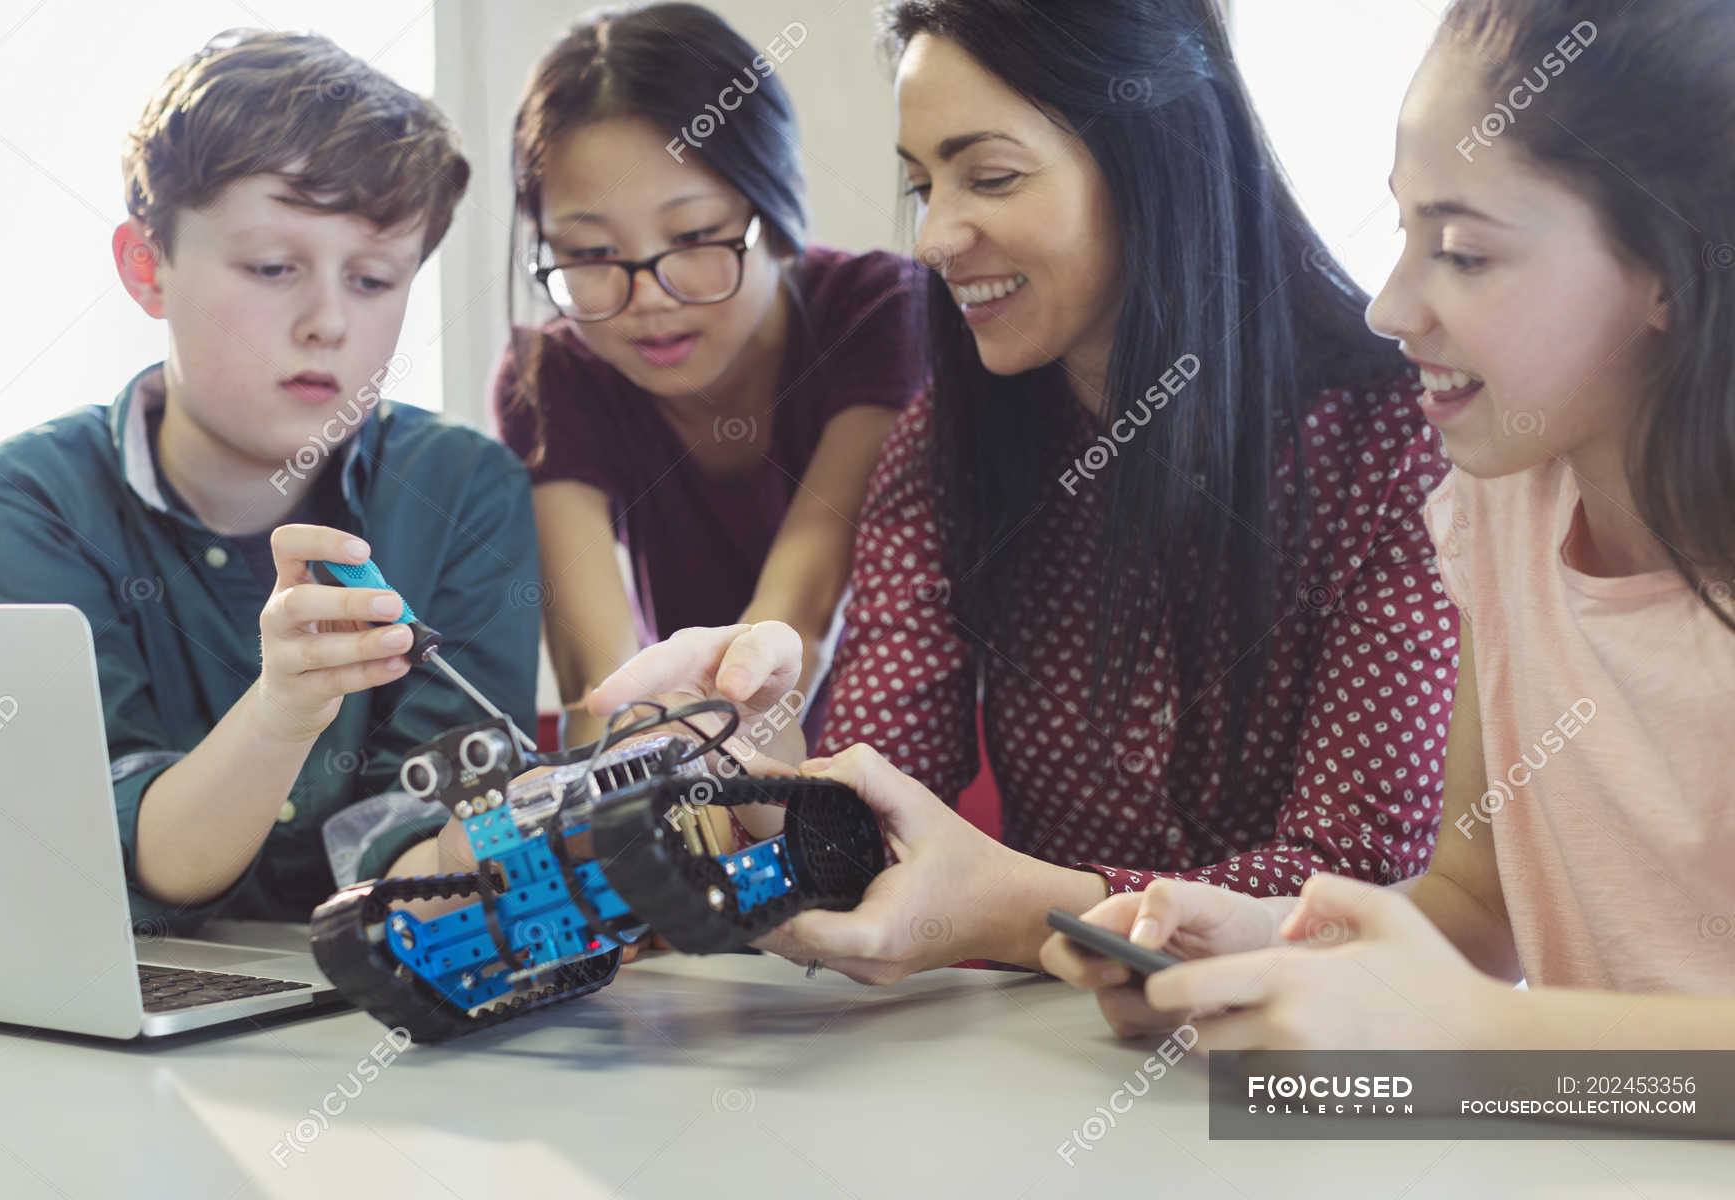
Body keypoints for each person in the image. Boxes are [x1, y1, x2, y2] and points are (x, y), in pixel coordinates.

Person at [588, 0, 1458, 983]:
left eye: (989, 176)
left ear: (1152, 160)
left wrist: (1022, 912)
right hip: (1036, 1063)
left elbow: (1359, 886)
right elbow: (880, 805)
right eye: (923, 184)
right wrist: (755, 738)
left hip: (1302, 1079)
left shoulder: (1398, 445)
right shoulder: (942, 446)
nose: (935, 236)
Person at [1045, 0, 1735, 1050]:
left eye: (1462, 251)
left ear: (1672, 271)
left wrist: (1465, 1037)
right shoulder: (1502, 507)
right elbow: (1476, 905)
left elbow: (1478, 1021)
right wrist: (1270, 946)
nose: (1391, 306)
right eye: (1406, 230)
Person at [0, 30, 540, 931]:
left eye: (376, 278)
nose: (329, 323)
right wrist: (283, 710)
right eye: (273, 268)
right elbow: (128, 855)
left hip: (377, 1009)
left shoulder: (465, 490)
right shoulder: (29, 503)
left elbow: (428, 851)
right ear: (147, 267)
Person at [494, 3, 924, 752]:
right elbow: (601, 684)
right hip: (703, 754)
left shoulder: (878, 315)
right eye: (591, 253)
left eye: (693, 236)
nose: (649, 297)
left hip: (875, 755)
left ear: (775, 203)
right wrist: (625, 789)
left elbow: (798, 619)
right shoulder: (554, 373)